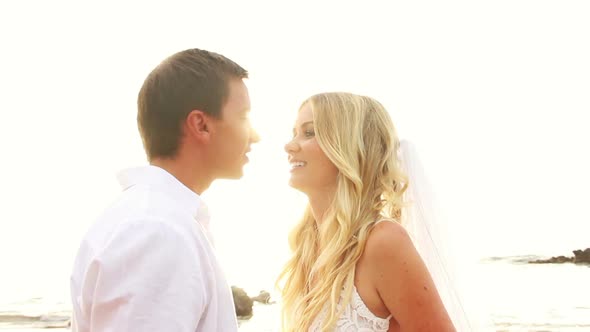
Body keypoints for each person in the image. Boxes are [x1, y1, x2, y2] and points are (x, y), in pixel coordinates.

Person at [69, 48, 259, 331]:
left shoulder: (159, 219)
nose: (255, 135)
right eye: (244, 117)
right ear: (201, 124)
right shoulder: (158, 231)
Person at [278, 92, 464, 331]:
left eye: (310, 132)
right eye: (294, 132)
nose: (289, 145)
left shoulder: (382, 241)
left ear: (348, 147)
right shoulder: (307, 243)